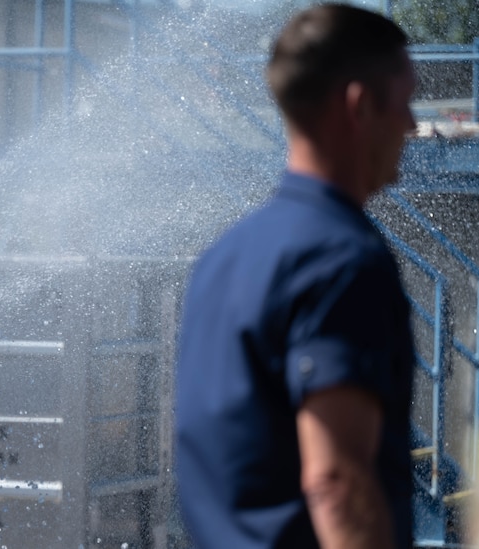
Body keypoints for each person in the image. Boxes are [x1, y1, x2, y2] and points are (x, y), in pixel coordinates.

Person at [175, 4, 417, 549]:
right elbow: (336, 482)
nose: (412, 125)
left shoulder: (224, 257)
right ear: (358, 106)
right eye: (404, 103)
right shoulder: (339, 261)